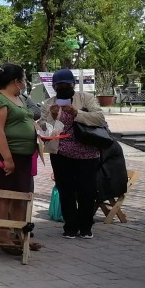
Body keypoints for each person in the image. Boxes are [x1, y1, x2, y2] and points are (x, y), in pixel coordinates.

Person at [39, 68, 106, 239]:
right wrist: (52, 118)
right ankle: (70, 226)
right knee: (65, 190)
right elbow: (45, 130)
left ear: (73, 84)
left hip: (87, 153)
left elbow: (99, 118)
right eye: (58, 85)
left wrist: (76, 113)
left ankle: (86, 227)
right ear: (54, 86)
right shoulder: (48, 103)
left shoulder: (86, 98)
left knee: (87, 191)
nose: (62, 88)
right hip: (60, 154)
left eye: (66, 84)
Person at [0, 64, 39, 253]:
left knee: (21, 197)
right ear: (15, 81)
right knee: (4, 197)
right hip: (9, 155)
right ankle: (4, 237)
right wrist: (7, 158)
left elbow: (26, 120)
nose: (24, 83)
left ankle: (19, 234)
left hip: (24, 156)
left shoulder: (17, 98)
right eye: (23, 80)